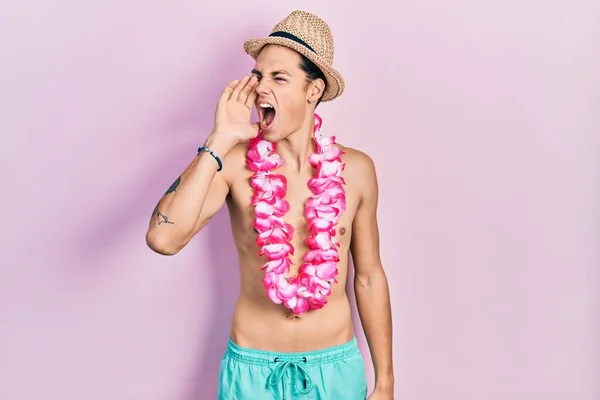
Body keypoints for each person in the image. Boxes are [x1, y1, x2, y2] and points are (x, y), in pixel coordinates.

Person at [145, 10, 394, 399]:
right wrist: (219, 140)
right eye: (258, 76)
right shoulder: (231, 165)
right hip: (252, 372)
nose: (261, 88)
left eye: (279, 78)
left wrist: (385, 382)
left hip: (335, 372)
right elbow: (163, 239)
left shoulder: (357, 170)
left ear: (313, 91)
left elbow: (368, 276)